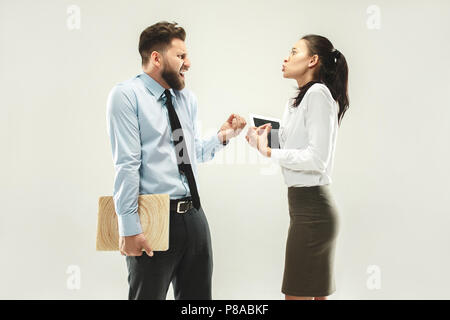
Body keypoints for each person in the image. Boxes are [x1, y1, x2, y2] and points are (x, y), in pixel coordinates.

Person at [106, 21, 247, 300]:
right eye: (181, 56)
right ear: (156, 58)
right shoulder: (126, 96)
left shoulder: (184, 99)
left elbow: (188, 154)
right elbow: (127, 164)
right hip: (154, 217)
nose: (188, 63)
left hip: (194, 216)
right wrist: (129, 227)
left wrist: (223, 136)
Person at [245, 34, 349, 300]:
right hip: (304, 209)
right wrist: (263, 140)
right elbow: (295, 146)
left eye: (294, 52)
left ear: (313, 60)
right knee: (311, 295)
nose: (286, 58)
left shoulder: (318, 94)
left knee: (297, 295)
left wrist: (269, 151)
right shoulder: (299, 99)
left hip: (313, 211)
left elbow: (317, 159)